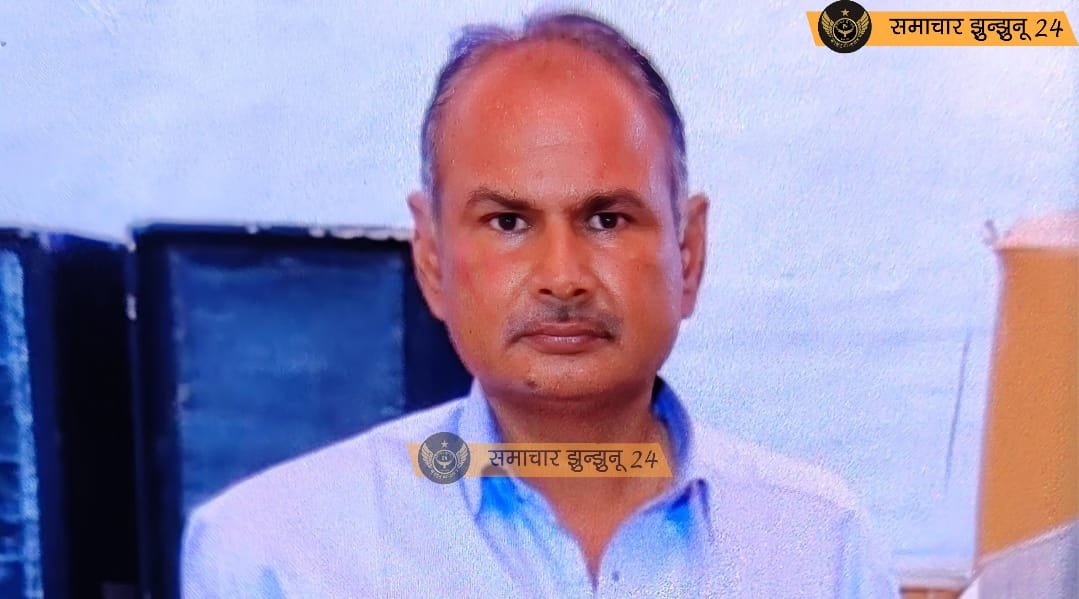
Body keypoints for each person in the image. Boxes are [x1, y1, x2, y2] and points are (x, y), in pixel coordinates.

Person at [182, 10, 899, 597]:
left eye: (607, 219)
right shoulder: (274, 555)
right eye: (508, 222)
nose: (562, 278)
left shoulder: (819, 545)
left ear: (687, 251)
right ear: (430, 257)